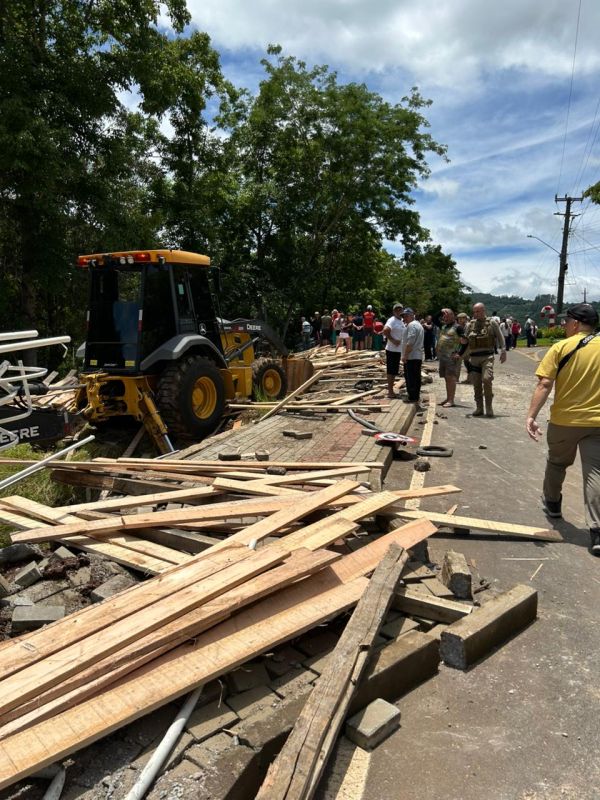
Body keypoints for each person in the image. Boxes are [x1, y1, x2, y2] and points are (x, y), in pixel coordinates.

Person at [525, 303, 600, 555]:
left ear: (576, 323)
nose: (564, 326)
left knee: (557, 463)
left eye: (566, 322)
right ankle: (598, 532)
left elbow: (545, 384)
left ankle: (553, 504)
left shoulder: (560, 347)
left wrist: (531, 416)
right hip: (598, 423)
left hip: (565, 421)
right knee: (595, 473)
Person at [459, 302, 506, 417]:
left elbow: (500, 337)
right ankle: (479, 408)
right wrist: (463, 341)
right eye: (474, 311)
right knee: (476, 384)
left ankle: (489, 407)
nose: (476, 314)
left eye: (478, 311)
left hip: (487, 357)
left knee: (487, 379)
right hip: (474, 358)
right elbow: (465, 341)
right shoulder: (470, 325)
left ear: (484, 311)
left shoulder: (492, 323)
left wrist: (503, 351)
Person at [436, 308, 464, 407]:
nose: (445, 317)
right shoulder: (444, 326)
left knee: (451, 378)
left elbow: (466, 341)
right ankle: (448, 398)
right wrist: (441, 311)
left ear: (453, 316)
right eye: (444, 316)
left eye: (447, 315)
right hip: (443, 356)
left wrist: (459, 353)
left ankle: (451, 400)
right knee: (446, 378)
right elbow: (434, 319)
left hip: (451, 357)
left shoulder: (458, 328)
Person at [401, 307, 424, 405]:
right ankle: (415, 396)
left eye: (406, 316)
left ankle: (413, 397)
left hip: (412, 356)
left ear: (411, 315)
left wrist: (405, 355)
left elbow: (410, 342)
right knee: (415, 377)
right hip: (416, 356)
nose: (404, 318)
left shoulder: (412, 325)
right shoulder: (417, 325)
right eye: (403, 316)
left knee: (411, 378)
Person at [383, 302, 405, 398]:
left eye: (400, 309)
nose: (399, 311)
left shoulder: (401, 320)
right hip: (392, 349)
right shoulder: (392, 320)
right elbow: (385, 330)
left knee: (394, 371)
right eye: (397, 309)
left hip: (398, 350)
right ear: (394, 311)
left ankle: (391, 390)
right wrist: (393, 340)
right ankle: (390, 391)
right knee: (391, 371)